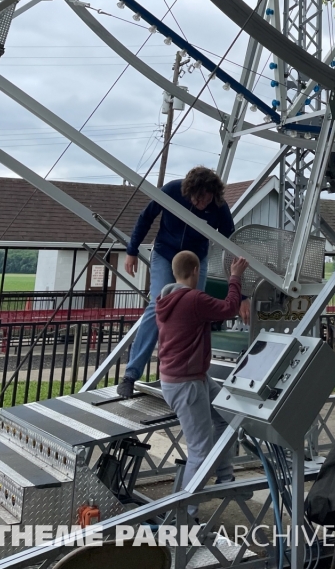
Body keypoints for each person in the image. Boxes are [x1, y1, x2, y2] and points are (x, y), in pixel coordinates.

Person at [117, 165, 249, 398]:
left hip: (196, 257)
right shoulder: (172, 191)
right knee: (158, 303)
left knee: (195, 309)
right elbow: (146, 217)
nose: (202, 205)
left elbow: (232, 248)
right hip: (166, 254)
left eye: (206, 200)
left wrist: (243, 296)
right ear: (188, 193)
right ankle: (131, 374)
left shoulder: (219, 206)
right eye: (197, 200)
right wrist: (132, 250)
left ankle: (194, 371)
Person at [156, 249, 248, 511]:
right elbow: (229, 308)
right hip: (187, 384)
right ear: (196, 271)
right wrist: (235, 277)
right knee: (200, 450)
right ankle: (187, 512)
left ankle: (225, 478)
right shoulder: (193, 299)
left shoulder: (165, 299)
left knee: (226, 415)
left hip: (189, 379)